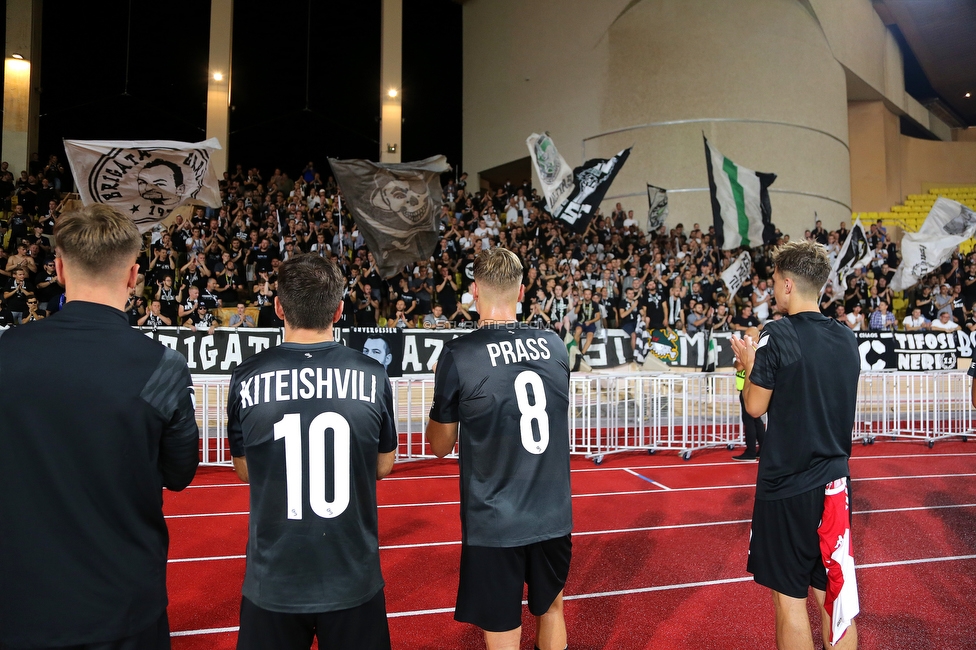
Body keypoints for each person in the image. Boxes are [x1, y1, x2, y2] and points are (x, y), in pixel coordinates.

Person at [0, 204, 199, 649]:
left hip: (18, 606)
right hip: (125, 606)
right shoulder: (162, 367)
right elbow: (181, 474)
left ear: (59, 269)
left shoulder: (7, 351)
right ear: (133, 275)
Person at [227, 255, 396, 650]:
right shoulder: (372, 374)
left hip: (273, 578)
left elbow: (245, 470)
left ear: (278, 307)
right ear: (339, 310)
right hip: (353, 573)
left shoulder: (246, 376)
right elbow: (384, 465)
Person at [426, 247, 573, 650]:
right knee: (553, 608)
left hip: (495, 516)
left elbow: (439, 445)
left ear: (474, 290)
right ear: (521, 290)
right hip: (552, 511)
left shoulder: (460, 353)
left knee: (502, 622)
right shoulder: (554, 345)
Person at [730, 241, 860, 650]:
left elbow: (754, 405)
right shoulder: (846, 338)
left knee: (790, 601)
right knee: (834, 599)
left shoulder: (778, 333)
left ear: (787, 285)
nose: (772, 290)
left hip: (786, 486)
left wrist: (751, 366)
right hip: (836, 485)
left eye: (773, 282)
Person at [732, 325, 765, 462]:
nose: (746, 338)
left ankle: (751, 451)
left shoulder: (753, 350)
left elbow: (739, 366)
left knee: (750, 421)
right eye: (745, 335)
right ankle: (762, 450)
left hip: (750, 388)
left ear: (757, 337)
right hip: (750, 387)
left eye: (749, 336)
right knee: (756, 421)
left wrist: (741, 359)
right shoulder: (758, 350)